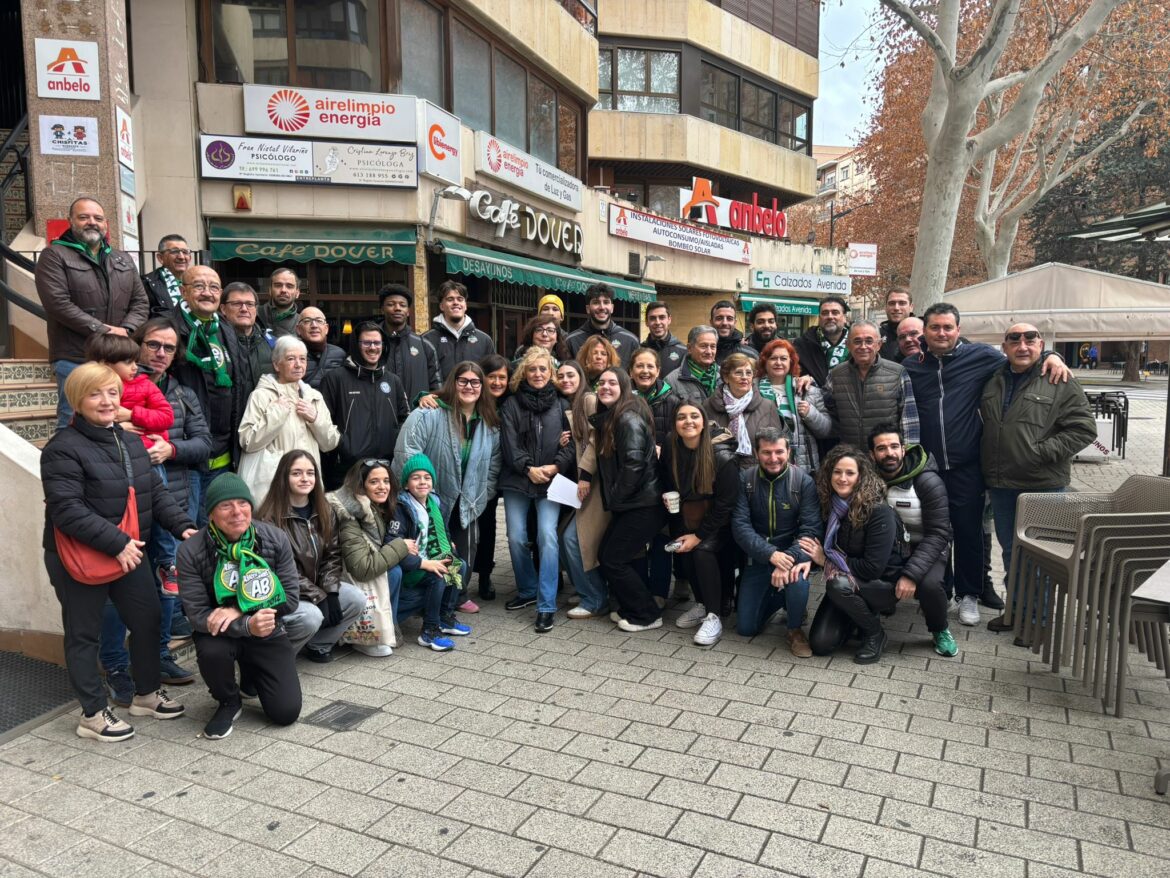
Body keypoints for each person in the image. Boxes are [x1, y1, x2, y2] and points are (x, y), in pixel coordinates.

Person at [42, 363, 195, 742]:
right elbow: (67, 509)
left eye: (112, 392)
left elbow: (153, 493)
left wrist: (183, 527)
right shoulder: (62, 448)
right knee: (84, 634)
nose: (107, 401)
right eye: (95, 394)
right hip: (82, 556)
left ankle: (144, 694)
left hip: (129, 551)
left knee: (148, 619)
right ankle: (92, 713)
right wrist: (118, 543)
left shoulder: (127, 440)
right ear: (77, 399)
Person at [903, 303, 1069, 624]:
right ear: (924, 331)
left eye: (948, 327)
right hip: (927, 467)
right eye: (935, 327)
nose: (941, 333)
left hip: (967, 464)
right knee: (934, 533)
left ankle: (969, 595)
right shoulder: (911, 366)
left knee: (968, 531)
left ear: (958, 330)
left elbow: (1022, 360)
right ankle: (940, 590)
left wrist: (1053, 356)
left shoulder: (979, 357)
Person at [980, 324, 1095, 631]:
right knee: (1011, 551)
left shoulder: (1059, 379)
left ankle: (1039, 621)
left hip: (1043, 485)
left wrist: (1039, 453)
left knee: (1039, 554)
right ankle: (1017, 611)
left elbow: (1084, 429)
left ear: (1041, 344)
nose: (1022, 345)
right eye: (1014, 339)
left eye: (1030, 339)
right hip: (1002, 483)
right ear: (1004, 346)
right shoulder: (993, 379)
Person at [177, 473, 301, 740]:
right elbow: (197, 614)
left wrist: (237, 608)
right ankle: (228, 701)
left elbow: (290, 598)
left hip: (266, 626)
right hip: (219, 633)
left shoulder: (274, 538)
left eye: (243, 504)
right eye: (225, 506)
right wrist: (246, 624)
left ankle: (251, 674)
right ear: (210, 513)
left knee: (286, 713)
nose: (237, 513)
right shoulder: (190, 550)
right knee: (211, 650)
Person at [394, 361, 502, 613]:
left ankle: (457, 595)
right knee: (431, 546)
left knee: (464, 549)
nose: (469, 387)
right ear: (453, 383)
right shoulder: (428, 413)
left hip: (470, 497)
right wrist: (419, 493)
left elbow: (494, 465)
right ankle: (427, 597)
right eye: (463, 381)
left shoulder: (489, 423)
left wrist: (483, 493)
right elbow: (406, 453)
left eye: (475, 382)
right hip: (430, 496)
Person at [35, 197, 151, 429]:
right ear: (70, 221)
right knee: (72, 421)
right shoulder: (54, 255)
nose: (92, 222)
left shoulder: (123, 259)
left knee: (114, 421)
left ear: (106, 224)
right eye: (84, 217)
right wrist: (105, 330)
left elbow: (141, 302)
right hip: (75, 356)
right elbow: (58, 304)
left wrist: (126, 329)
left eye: (97, 218)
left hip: (118, 358)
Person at [256, 450, 365, 662]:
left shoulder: (325, 509)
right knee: (310, 616)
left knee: (356, 598)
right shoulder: (268, 518)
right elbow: (279, 570)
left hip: (317, 585)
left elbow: (332, 555)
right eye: (296, 473)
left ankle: (319, 644)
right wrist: (319, 596)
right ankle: (278, 659)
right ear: (283, 477)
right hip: (285, 592)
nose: (305, 478)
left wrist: (331, 592)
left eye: (310, 472)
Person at [802, 447, 905, 664]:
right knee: (821, 644)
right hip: (847, 582)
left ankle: (875, 633)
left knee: (838, 586)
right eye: (837, 472)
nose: (842, 478)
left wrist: (825, 561)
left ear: (861, 477)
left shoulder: (878, 511)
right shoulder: (829, 505)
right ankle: (855, 616)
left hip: (882, 585)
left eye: (850, 473)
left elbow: (872, 569)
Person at [499, 348, 576, 633]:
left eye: (543, 369)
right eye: (532, 369)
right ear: (524, 373)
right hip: (519, 478)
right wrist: (529, 467)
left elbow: (573, 445)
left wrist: (555, 467)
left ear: (551, 372)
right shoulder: (510, 404)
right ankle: (528, 588)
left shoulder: (563, 404)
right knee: (516, 536)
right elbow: (508, 444)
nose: (538, 374)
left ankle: (546, 604)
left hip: (551, 481)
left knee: (547, 536)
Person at [589, 368, 668, 632]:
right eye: (601, 383)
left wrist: (615, 498)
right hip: (633, 503)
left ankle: (647, 614)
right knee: (613, 555)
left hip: (643, 504)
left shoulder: (627, 419)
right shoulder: (615, 418)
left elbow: (633, 465)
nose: (605, 387)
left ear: (624, 387)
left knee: (613, 559)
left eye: (613, 383)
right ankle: (632, 607)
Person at [731, 429, 822, 657]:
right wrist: (771, 555)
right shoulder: (746, 480)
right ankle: (783, 600)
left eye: (779, 452)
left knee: (798, 581)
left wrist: (786, 560)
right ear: (756, 453)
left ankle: (794, 629)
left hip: (793, 557)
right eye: (767, 452)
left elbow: (810, 530)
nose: (773, 458)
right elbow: (740, 527)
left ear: (788, 452)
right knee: (746, 628)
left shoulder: (803, 482)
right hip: (759, 556)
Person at [869, 424, 958, 656]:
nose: (889, 453)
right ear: (872, 454)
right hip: (890, 546)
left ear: (904, 449)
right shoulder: (868, 481)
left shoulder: (927, 481)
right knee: (866, 571)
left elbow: (939, 532)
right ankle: (872, 616)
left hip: (927, 544)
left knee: (928, 585)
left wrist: (911, 574)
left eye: (894, 446)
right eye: (881, 448)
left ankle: (940, 629)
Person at [170, 265, 248, 522]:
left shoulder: (226, 330)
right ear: (183, 291)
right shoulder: (170, 329)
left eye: (214, 287)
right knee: (187, 528)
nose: (207, 293)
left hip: (223, 456)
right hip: (186, 456)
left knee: (216, 529)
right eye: (199, 286)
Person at [659, 404, 741, 646]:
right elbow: (665, 478)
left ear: (704, 422)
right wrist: (666, 495)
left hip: (720, 523)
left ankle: (714, 617)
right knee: (680, 548)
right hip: (686, 515)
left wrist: (699, 535)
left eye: (694, 416)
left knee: (701, 552)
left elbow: (726, 505)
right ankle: (702, 604)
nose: (688, 421)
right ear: (675, 424)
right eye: (681, 417)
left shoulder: (722, 457)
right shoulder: (671, 449)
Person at [327, 459, 416, 656]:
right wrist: (400, 546)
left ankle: (388, 623)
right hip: (347, 582)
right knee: (393, 572)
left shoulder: (378, 507)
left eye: (386, 481)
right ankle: (368, 637)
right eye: (374, 482)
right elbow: (362, 568)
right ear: (360, 486)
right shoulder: (350, 516)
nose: (382, 486)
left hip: (368, 575)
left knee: (429, 582)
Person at [237, 336, 340, 507]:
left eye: (302, 359)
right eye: (291, 359)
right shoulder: (261, 395)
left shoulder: (313, 396)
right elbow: (247, 441)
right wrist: (276, 414)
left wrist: (315, 419)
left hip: (308, 488)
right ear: (277, 365)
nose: (298, 364)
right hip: (272, 488)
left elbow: (330, 443)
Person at [389, 454, 471, 651]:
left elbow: (443, 527)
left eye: (427, 477)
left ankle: (445, 616)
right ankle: (429, 630)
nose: (422, 481)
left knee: (459, 566)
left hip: (431, 555)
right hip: (411, 563)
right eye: (415, 477)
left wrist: (448, 543)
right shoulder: (401, 507)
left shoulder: (435, 501)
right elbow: (395, 545)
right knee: (438, 576)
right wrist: (424, 563)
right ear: (406, 484)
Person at [318, 321, 410, 491]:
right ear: (356, 345)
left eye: (377, 343)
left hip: (385, 472)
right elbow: (323, 424)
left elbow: (405, 419)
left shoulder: (393, 381)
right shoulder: (335, 379)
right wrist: (345, 447)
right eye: (366, 343)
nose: (373, 348)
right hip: (346, 472)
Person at [823, 321, 920, 450]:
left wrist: (908, 455)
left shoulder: (897, 373)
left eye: (869, 341)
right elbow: (824, 412)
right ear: (848, 345)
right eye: (857, 341)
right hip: (851, 457)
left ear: (879, 344)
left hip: (886, 457)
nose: (863, 346)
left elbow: (909, 421)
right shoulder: (836, 374)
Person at [563, 368, 610, 620]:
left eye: (571, 375)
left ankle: (595, 598)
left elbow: (595, 438)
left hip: (594, 484)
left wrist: (585, 475)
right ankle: (586, 590)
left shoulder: (589, 400)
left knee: (576, 540)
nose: (565, 380)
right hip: (578, 485)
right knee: (567, 538)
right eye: (560, 376)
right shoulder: (570, 404)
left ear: (581, 378)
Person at [470, 354, 511, 601]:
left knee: (487, 527)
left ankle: (484, 575)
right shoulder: (472, 399)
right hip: (470, 473)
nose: (497, 382)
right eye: (492, 377)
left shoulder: (510, 401)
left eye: (502, 377)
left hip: (497, 474)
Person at [757, 338, 831, 472]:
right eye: (773, 358)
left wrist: (810, 413)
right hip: (765, 465)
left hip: (801, 468)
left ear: (791, 362)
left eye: (783, 358)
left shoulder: (806, 390)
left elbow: (826, 430)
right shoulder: (753, 390)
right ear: (765, 362)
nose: (778, 363)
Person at [703, 353, 783, 469]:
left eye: (749, 373)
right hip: (719, 473)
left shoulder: (767, 406)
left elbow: (778, 444)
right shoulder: (708, 405)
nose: (744, 377)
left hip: (757, 474)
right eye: (738, 372)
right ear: (726, 377)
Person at [378, 283, 441, 405]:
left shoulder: (425, 346)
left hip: (416, 417)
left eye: (402, 305)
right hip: (380, 416)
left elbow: (436, 388)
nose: (397, 308)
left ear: (408, 311)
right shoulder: (371, 345)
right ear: (382, 309)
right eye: (391, 304)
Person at [422, 280, 494, 379]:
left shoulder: (485, 340)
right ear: (441, 306)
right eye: (450, 299)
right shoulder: (426, 340)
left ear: (465, 305)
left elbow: (491, 375)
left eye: (460, 299)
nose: (456, 303)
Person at [565, 284, 639, 369]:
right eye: (596, 302)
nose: (602, 307)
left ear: (612, 308)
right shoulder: (572, 341)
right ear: (588, 309)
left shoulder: (630, 341)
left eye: (606, 302)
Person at [220, 282, 275, 391]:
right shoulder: (215, 343)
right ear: (223, 309)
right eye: (236, 303)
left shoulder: (272, 344)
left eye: (250, 304)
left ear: (256, 309)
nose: (244, 309)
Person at [793, 296, 850, 388]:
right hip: (812, 401)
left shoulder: (858, 345)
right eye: (825, 313)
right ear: (819, 318)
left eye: (835, 312)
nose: (830, 317)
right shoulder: (801, 345)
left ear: (844, 317)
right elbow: (792, 374)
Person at [630, 347, 679, 449]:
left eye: (650, 366)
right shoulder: (622, 399)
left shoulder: (672, 402)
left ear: (657, 371)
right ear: (631, 371)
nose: (645, 371)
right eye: (639, 366)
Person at [664, 325, 720, 407]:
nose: (709, 351)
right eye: (703, 346)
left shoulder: (725, 376)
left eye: (712, 346)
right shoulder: (672, 381)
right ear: (689, 348)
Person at [294, 307, 346, 389]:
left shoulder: (339, 354)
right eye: (307, 321)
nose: (314, 325)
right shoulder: (291, 355)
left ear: (326, 328)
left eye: (319, 321)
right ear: (298, 329)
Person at [141, 234, 193, 318]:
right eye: (174, 251)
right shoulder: (146, 284)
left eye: (185, 252)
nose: (181, 257)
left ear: (190, 258)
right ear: (160, 258)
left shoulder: (194, 281)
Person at [256, 268, 301, 337]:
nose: (283, 290)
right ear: (270, 290)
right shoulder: (254, 315)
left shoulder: (302, 322)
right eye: (278, 285)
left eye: (289, 286)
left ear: (297, 293)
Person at [643, 301, 686, 371]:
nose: (657, 322)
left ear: (669, 320)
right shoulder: (639, 350)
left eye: (662, 317)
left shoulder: (683, 351)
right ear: (646, 322)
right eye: (652, 318)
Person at [878, 287, 913, 361]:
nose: (896, 308)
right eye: (892, 303)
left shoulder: (924, 333)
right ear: (886, 307)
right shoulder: (876, 335)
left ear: (911, 307)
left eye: (902, 303)